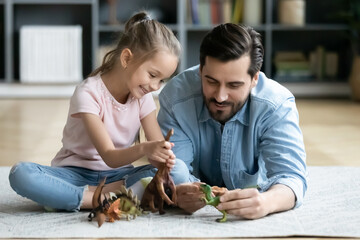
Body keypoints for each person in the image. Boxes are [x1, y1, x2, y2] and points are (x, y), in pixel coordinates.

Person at [8, 12, 188, 212]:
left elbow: (155, 155)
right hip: (73, 175)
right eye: (153, 75)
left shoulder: (143, 97)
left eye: (162, 80)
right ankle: (105, 199)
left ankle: (74, 198)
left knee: (179, 169)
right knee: (21, 174)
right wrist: (146, 149)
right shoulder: (89, 92)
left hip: (118, 176)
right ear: (127, 58)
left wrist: (163, 157)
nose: (155, 86)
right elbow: (109, 156)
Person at [157, 23, 308, 220]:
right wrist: (179, 191)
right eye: (211, 81)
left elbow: (292, 177)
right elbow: (174, 172)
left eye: (234, 85)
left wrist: (266, 202)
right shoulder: (176, 99)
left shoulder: (276, 105)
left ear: (254, 78)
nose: (220, 96)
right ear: (201, 69)